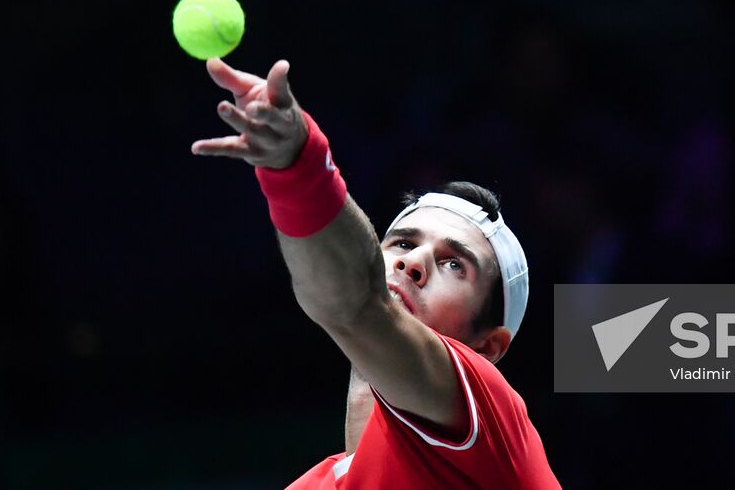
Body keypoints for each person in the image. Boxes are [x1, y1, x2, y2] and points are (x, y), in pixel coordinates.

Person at [191, 57, 562, 489]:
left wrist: (297, 164)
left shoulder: (493, 422)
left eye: (453, 264)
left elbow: (357, 302)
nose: (413, 262)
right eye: (402, 243)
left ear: (488, 347)